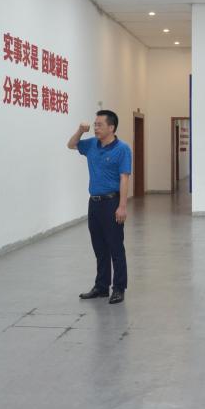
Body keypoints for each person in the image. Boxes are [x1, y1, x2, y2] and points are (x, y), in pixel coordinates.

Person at [67, 110, 132, 305]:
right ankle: (102, 286)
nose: (95, 128)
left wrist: (122, 206)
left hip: (112, 202)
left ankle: (118, 288)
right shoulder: (91, 145)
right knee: (99, 247)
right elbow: (71, 144)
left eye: (99, 125)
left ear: (111, 127)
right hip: (94, 203)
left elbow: (124, 178)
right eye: (95, 124)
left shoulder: (122, 149)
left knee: (115, 247)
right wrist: (80, 130)